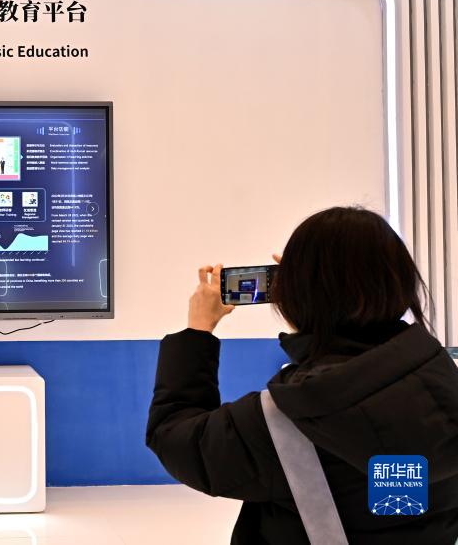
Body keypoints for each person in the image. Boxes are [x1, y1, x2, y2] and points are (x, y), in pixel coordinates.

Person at [146, 206, 458, 544]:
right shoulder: (442, 382)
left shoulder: (289, 419)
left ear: (300, 296)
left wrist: (198, 331)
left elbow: (175, 438)